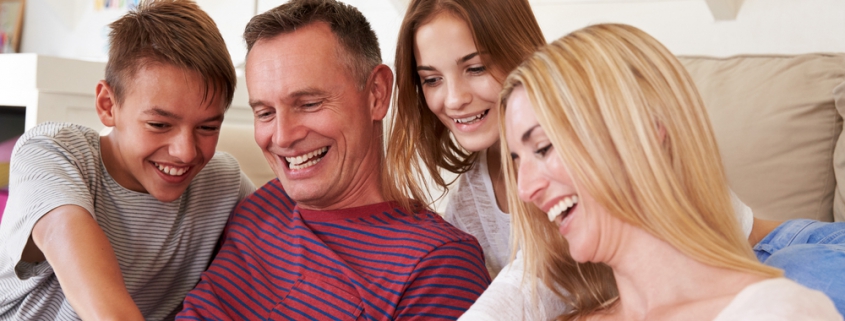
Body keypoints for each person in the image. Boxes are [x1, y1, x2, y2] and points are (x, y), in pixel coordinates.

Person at [500, 23, 841, 320]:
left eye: (543, 148)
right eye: (517, 161)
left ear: (644, 133)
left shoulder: (778, 310)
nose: (524, 190)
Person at [176, 0, 491, 320]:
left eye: (309, 103)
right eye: (265, 113)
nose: (282, 137)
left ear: (377, 94)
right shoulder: (258, 206)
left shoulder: (438, 265)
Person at [0, 1, 254, 320]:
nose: (186, 152)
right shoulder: (52, 152)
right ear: (108, 105)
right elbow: (64, 236)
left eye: (207, 127)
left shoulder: (223, 182)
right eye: (159, 125)